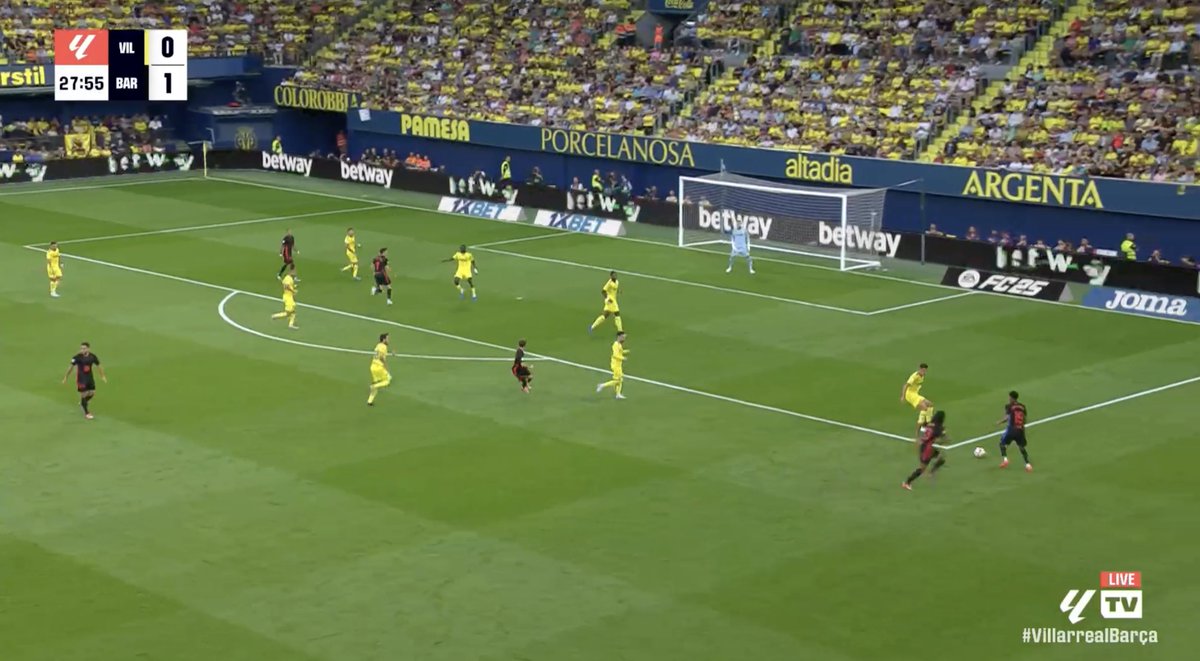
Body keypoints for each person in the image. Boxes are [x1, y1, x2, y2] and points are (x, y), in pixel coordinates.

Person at [902, 410, 948, 490]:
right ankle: (907, 482)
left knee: (941, 458)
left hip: (924, 446)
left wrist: (918, 437)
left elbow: (922, 428)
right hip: (927, 450)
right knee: (922, 468)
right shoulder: (939, 428)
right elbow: (945, 440)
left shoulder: (929, 424)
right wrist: (942, 438)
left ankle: (931, 472)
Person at [63, 342, 106, 419]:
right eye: (81, 348)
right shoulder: (77, 357)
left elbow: (98, 366)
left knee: (92, 393)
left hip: (89, 377)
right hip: (81, 378)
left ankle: (83, 402)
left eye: (84, 348)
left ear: (88, 349)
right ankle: (87, 413)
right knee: (84, 394)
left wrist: (102, 376)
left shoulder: (92, 357)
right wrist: (66, 377)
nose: (82, 350)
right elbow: (70, 367)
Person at [996, 390, 1032, 471]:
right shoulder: (1022, 406)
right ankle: (1028, 465)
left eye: (1009, 397)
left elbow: (1007, 417)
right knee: (1021, 447)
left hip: (1012, 429)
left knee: (1002, 443)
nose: (1008, 399)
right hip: (1020, 429)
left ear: (1012, 398)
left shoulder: (1009, 406)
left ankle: (1005, 460)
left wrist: (1000, 422)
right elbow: (1024, 419)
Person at [596, 331, 628, 399]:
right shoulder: (615, 345)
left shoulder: (619, 344)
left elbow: (620, 352)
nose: (624, 338)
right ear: (619, 337)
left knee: (620, 379)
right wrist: (623, 358)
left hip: (618, 365)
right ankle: (602, 385)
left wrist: (625, 351)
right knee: (617, 381)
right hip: (615, 365)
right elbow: (615, 355)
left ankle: (618, 394)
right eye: (623, 337)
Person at [270, 263, 299, 329]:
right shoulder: (288, 278)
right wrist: (293, 291)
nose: (295, 272)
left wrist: (293, 289)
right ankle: (274, 316)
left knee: (293, 312)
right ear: (291, 271)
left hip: (290, 297)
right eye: (294, 271)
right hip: (288, 297)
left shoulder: (289, 278)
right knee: (288, 313)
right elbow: (286, 286)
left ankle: (290, 325)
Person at [367, 333, 391, 406]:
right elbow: (381, 357)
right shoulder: (384, 347)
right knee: (387, 380)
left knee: (376, 384)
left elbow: (378, 353)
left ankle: (370, 401)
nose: (388, 340)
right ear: (383, 340)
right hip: (379, 367)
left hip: (373, 366)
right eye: (387, 339)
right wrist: (385, 366)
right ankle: (373, 386)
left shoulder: (378, 345)